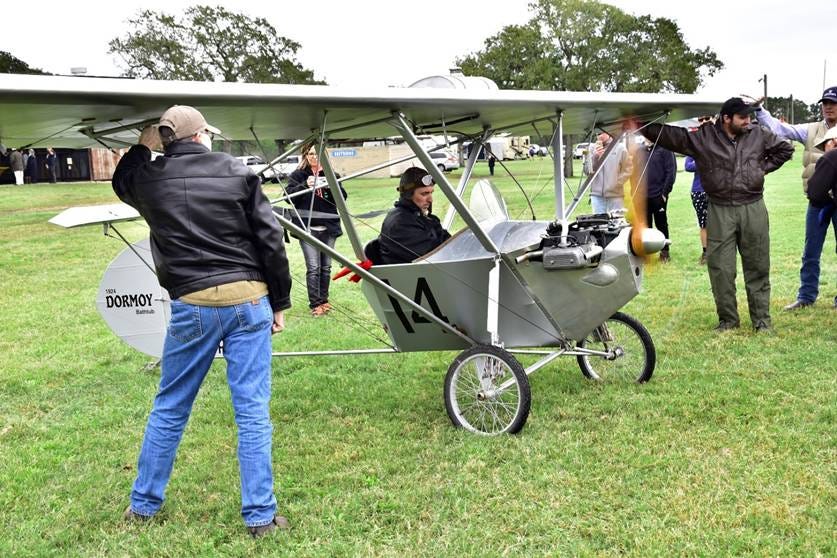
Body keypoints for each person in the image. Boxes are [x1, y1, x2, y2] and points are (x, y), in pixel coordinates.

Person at [112, 105, 292, 538]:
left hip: (191, 304)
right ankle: (261, 518)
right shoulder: (238, 171)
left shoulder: (149, 179)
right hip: (249, 300)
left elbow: (122, 180)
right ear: (199, 136)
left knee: (171, 406)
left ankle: (142, 507)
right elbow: (270, 240)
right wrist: (280, 301)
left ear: (167, 139)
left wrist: (144, 145)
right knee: (251, 412)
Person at [636, 97, 794, 331]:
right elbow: (674, 137)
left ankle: (762, 321)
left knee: (758, 265)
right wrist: (640, 123)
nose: (748, 122)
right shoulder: (704, 137)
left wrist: (760, 170)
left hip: (753, 206)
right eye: (743, 117)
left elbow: (785, 149)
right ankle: (728, 320)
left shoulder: (758, 134)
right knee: (720, 267)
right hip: (719, 208)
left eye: (750, 117)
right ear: (726, 118)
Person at [751, 87, 837, 311]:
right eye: (825, 102)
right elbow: (781, 129)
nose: (828, 107)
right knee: (811, 250)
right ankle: (806, 296)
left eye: (833, 103)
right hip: (818, 201)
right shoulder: (811, 129)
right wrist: (759, 109)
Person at [286, 141, 347, 317]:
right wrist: (306, 185)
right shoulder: (298, 175)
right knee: (313, 267)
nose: (314, 157)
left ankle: (324, 301)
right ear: (305, 156)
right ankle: (315, 304)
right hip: (307, 228)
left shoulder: (331, 174)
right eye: (311, 154)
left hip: (328, 227)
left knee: (326, 267)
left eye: (318, 153)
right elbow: (289, 197)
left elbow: (342, 198)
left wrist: (330, 186)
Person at [379, 166, 451, 264]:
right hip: (410, 277)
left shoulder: (421, 217)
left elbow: (447, 241)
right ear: (408, 195)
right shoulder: (400, 224)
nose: (430, 200)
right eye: (424, 194)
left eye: (431, 193)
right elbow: (434, 256)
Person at [806, 126, 837, 308]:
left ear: (831, 142)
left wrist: (831, 200)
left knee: (811, 251)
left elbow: (815, 192)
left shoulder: (830, 157)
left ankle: (806, 296)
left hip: (820, 207)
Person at [633, 140, 676, 262]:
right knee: (645, 225)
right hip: (642, 196)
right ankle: (647, 253)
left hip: (658, 195)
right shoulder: (639, 150)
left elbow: (670, 172)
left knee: (661, 223)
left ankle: (665, 252)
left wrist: (664, 193)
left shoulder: (665, 149)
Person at [585, 131, 632, 214]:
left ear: (608, 132)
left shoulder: (620, 148)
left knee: (617, 222)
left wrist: (617, 182)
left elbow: (628, 169)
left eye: (601, 133)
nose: (599, 136)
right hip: (597, 195)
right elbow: (586, 171)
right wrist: (595, 157)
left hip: (615, 195)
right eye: (597, 133)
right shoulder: (591, 149)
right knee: (599, 224)